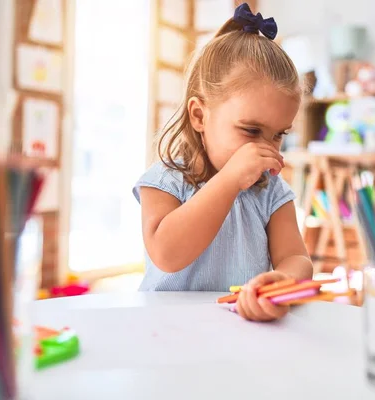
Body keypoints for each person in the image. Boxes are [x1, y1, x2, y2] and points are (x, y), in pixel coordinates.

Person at [132, 3, 312, 322]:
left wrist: (284, 282)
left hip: (240, 329)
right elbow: (166, 254)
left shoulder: (271, 191)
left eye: (278, 134)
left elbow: (296, 258)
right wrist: (229, 179)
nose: (266, 146)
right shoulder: (165, 180)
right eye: (251, 130)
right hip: (167, 329)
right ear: (200, 115)